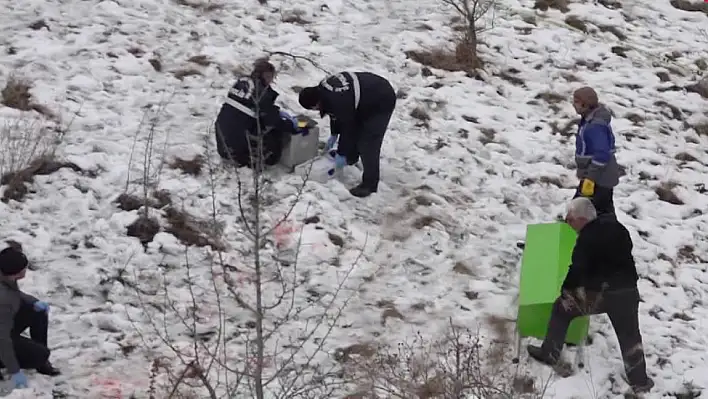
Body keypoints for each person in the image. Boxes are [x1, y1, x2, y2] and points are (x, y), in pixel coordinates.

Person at [527, 197, 654, 394]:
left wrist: (566, 290)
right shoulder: (618, 228)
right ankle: (640, 381)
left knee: (562, 308)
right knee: (630, 335)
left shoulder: (587, 237)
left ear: (582, 219)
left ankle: (549, 353)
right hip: (628, 292)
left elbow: (577, 269)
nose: (569, 224)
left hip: (602, 294)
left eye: (571, 220)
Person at [298, 71, 396, 198]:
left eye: (314, 108)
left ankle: (369, 184)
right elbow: (336, 115)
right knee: (356, 131)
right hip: (366, 97)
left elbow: (347, 127)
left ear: (316, 103)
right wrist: (334, 134)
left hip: (381, 100)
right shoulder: (324, 91)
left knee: (368, 143)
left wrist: (342, 152)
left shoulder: (338, 99)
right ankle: (352, 157)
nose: (316, 111)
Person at [214, 59, 296, 169]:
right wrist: (292, 126)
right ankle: (260, 159)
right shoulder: (262, 93)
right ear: (266, 76)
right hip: (238, 152)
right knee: (274, 132)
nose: (271, 81)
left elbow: (249, 107)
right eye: (271, 77)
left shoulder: (242, 83)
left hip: (222, 141)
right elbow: (272, 120)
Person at [0, 246, 60, 389]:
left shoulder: (4, 276)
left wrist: (33, 302)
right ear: (15, 273)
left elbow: (15, 293)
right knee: (41, 354)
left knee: (36, 311)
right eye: (24, 269)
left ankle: (42, 364)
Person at [572, 87, 619, 216]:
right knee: (602, 213)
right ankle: (612, 235)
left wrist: (590, 178)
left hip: (599, 178)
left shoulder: (595, 125)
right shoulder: (589, 120)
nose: (573, 104)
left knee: (579, 213)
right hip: (596, 177)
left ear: (584, 104)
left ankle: (571, 235)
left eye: (576, 101)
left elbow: (602, 154)